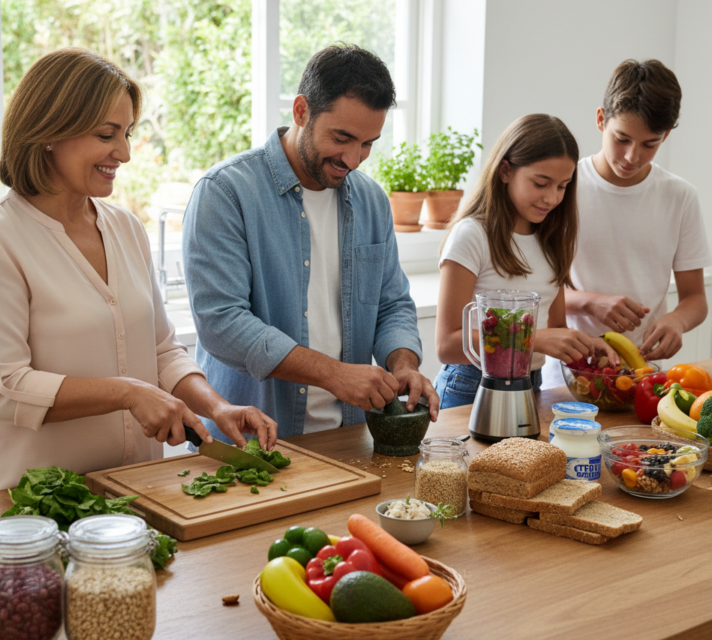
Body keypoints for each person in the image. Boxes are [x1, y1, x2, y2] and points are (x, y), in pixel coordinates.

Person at [0, 47, 277, 493]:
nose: (124, 152)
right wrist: (128, 392)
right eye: (107, 134)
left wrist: (216, 408)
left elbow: (161, 351)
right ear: (49, 132)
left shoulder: (126, 228)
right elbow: (2, 387)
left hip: (134, 489)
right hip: (30, 500)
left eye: (127, 133)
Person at [182, 43, 438, 441]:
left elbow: (391, 304)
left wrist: (403, 365)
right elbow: (221, 323)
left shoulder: (371, 200)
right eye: (342, 137)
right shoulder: (225, 192)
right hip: (250, 447)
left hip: (348, 438)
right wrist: (333, 374)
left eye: (368, 143)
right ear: (301, 111)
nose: (353, 159)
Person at [433, 114, 616, 409]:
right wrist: (533, 340)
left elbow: (555, 328)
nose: (552, 198)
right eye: (541, 183)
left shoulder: (552, 239)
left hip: (530, 384)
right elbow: (447, 345)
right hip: (471, 385)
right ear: (506, 171)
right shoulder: (472, 235)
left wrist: (584, 344)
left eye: (562, 186)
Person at [565, 59, 711, 361]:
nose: (632, 156)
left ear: (665, 135)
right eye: (622, 139)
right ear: (601, 119)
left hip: (644, 369)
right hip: (569, 367)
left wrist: (677, 320)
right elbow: (534, 290)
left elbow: (696, 299)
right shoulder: (563, 188)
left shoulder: (680, 196)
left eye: (650, 144)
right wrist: (589, 303)